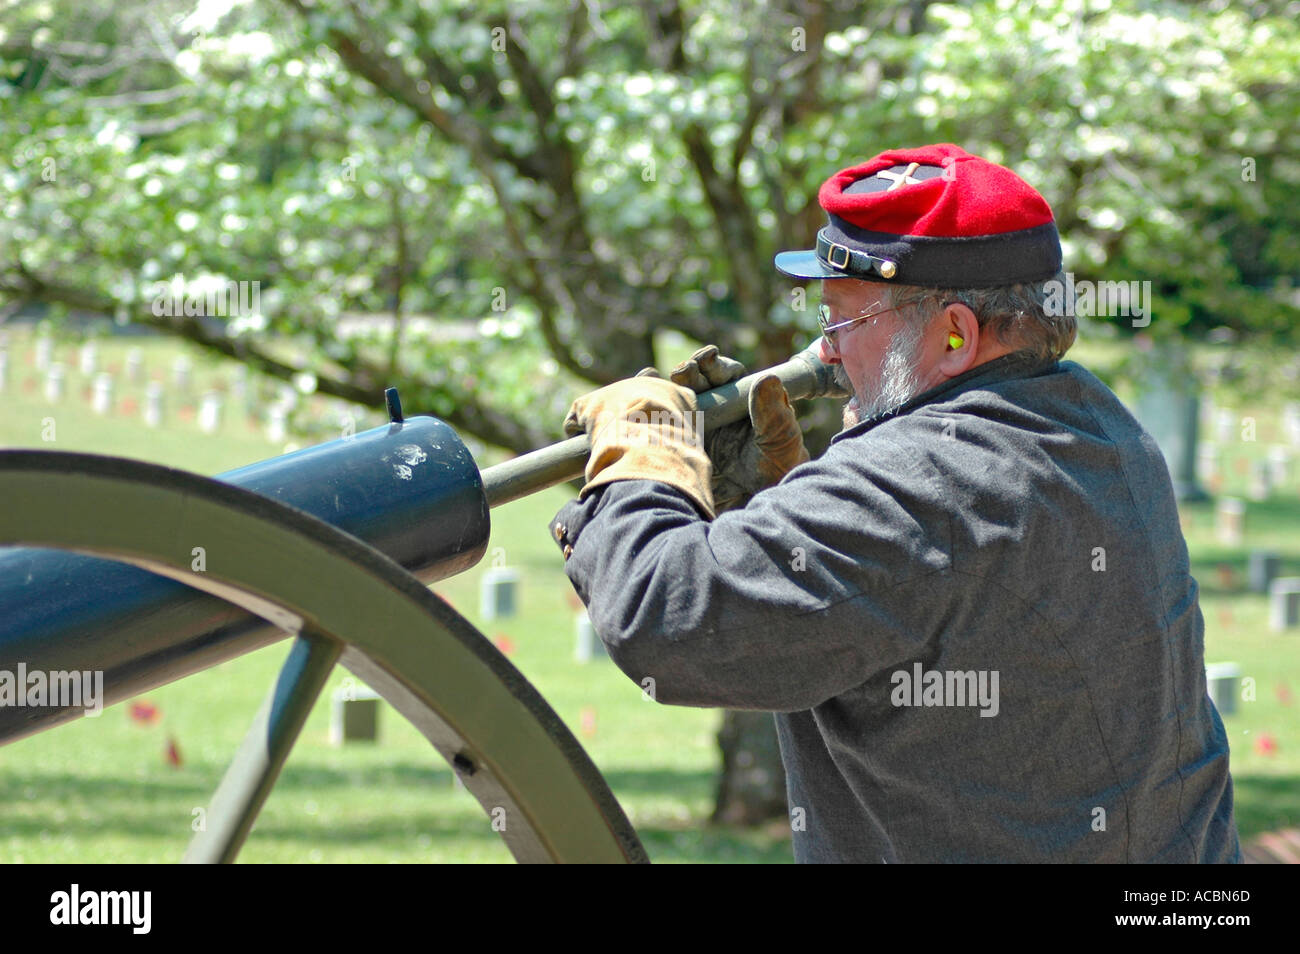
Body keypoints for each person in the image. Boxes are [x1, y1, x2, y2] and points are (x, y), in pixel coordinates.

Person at [550, 143, 1240, 863]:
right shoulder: (1097, 426)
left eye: (843, 323)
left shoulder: (919, 482)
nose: (828, 353)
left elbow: (669, 619)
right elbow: (907, 586)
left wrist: (642, 462)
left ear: (954, 333)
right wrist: (775, 505)